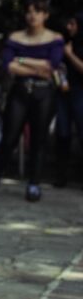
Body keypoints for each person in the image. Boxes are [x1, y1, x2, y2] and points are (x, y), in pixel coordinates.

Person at [0, 0, 65, 201]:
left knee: (39, 139)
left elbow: (52, 65)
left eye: (37, 11)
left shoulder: (55, 38)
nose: (32, 15)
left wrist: (22, 60)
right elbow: (8, 65)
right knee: (9, 137)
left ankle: (34, 183)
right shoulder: (16, 37)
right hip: (20, 91)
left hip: (44, 93)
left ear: (45, 15)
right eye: (29, 11)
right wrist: (36, 65)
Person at [55, 11, 83, 187]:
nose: (69, 27)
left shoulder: (73, 47)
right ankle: (61, 176)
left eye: (73, 24)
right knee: (62, 133)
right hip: (63, 92)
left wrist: (70, 55)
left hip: (80, 92)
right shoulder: (65, 43)